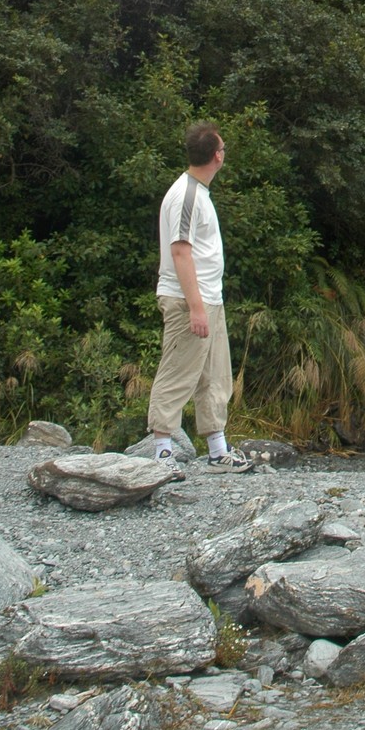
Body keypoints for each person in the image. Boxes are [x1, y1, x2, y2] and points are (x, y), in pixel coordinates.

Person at [147, 122, 250, 477]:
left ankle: (218, 450)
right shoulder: (186, 195)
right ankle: (161, 451)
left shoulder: (199, 192)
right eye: (224, 148)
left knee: (214, 376)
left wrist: (206, 305)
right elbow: (180, 252)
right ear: (216, 156)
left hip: (210, 299)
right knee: (179, 372)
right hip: (188, 301)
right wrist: (195, 308)